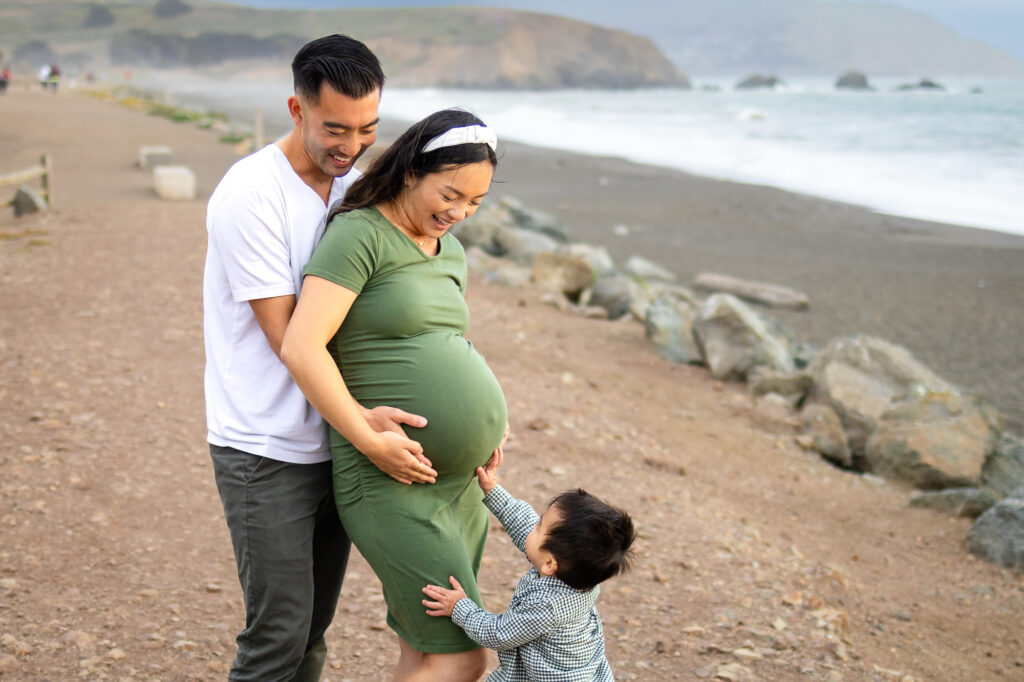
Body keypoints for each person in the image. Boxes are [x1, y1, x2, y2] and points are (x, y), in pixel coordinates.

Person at [203, 34, 428, 681]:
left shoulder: (355, 188)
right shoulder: (251, 194)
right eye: (335, 128)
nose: (351, 147)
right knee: (276, 635)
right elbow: (291, 342)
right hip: (264, 446)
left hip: (336, 440)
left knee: (311, 634)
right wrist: (365, 428)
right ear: (296, 110)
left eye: (366, 130)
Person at [281, 108, 508, 681]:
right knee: (463, 655)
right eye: (450, 194)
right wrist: (365, 437)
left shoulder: (449, 252)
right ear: (411, 170)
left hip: (460, 487)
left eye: (474, 204)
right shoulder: (361, 234)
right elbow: (302, 347)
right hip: (389, 475)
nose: (458, 214)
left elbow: (446, 339)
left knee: (424, 646)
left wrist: (488, 421)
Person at [421, 446, 636, 682]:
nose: (533, 525)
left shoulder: (547, 607)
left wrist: (460, 608)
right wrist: (493, 490)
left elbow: (499, 633)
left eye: (539, 526)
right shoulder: (577, 572)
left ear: (549, 564)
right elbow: (525, 524)